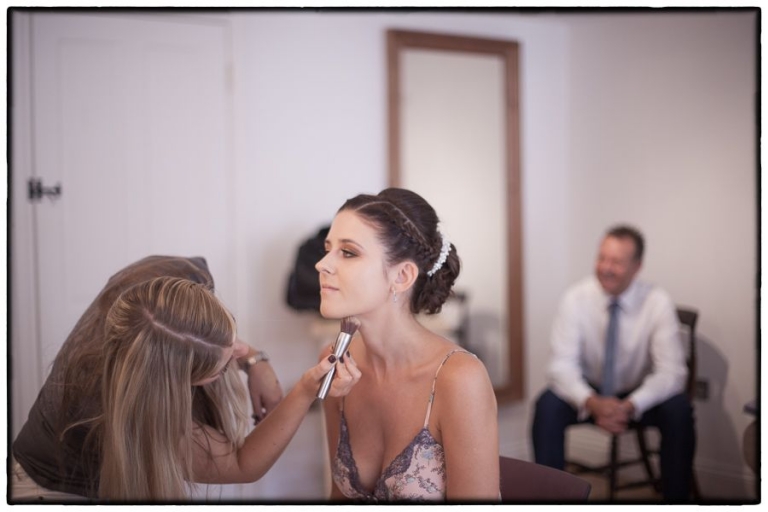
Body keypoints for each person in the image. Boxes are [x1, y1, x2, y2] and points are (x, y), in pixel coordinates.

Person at [10, 255, 360, 502]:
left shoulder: (174, 276)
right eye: (222, 369)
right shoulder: (133, 407)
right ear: (174, 386)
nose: (235, 353)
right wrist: (304, 389)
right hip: (53, 489)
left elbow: (214, 340)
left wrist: (254, 360)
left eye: (230, 334)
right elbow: (241, 464)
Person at [316, 188, 499, 502]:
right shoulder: (336, 362)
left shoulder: (459, 380)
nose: (322, 264)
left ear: (402, 276)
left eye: (348, 252)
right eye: (328, 249)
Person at [531, 225, 695, 502]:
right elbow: (561, 366)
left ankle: (676, 501)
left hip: (637, 394)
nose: (606, 268)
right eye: (602, 258)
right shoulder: (576, 298)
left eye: (616, 262)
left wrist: (631, 405)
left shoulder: (657, 302)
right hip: (590, 389)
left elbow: (671, 372)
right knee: (546, 407)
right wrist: (592, 401)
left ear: (637, 266)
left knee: (679, 412)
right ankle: (551, 500)